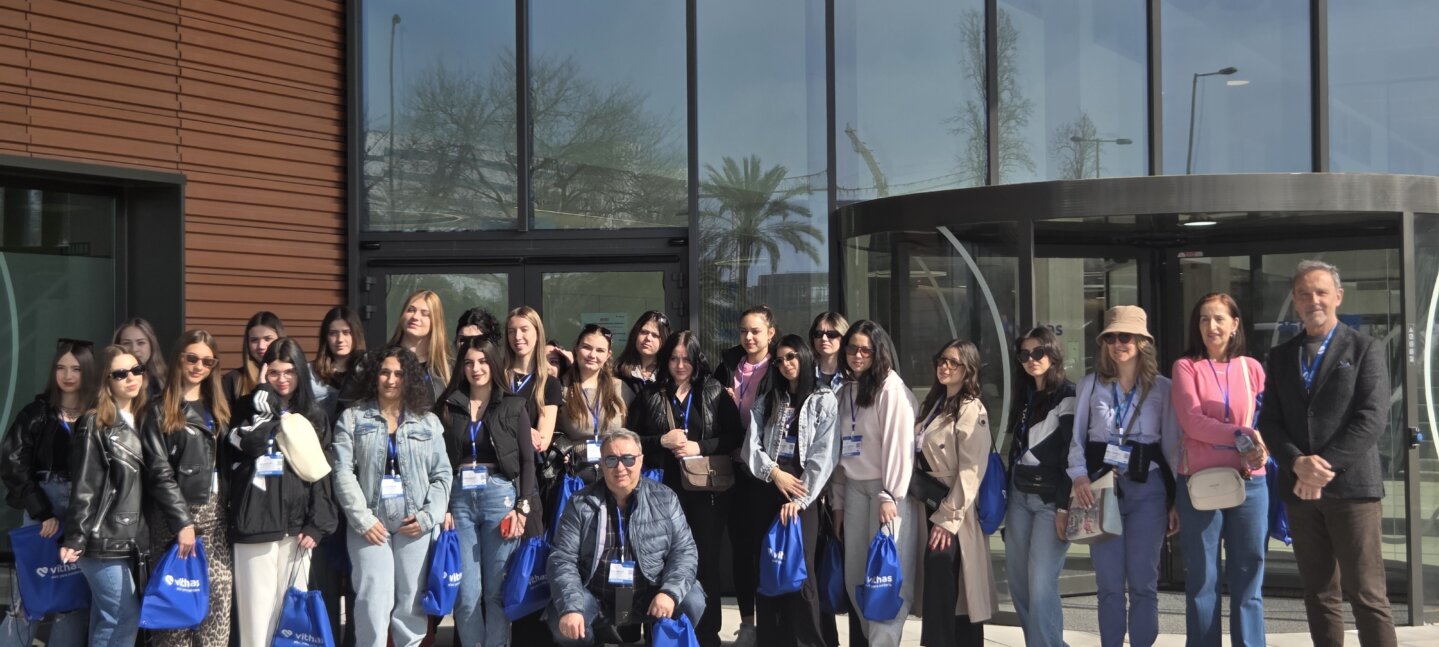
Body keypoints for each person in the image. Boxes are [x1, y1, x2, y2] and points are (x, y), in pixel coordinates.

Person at [1258, 260, 1396, 647]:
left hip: (1352, 490)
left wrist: (1323, 466)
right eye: (1304, 293)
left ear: (1338, 296)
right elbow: (1270, 421)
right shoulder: (1281, 356)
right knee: (1319, 594)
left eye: (1321, 292)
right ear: (1295, 300)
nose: (1313, 300)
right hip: (1301, 492)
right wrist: (1297, 463)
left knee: (1367, 595)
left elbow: (1372, 418)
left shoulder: (1365, 348)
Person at [60, 345, 195, 645]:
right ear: (106, 381)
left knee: (107, 619)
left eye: (136, 370)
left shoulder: (146, 418)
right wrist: (76, 537)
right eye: (120, 374)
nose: (131, 378)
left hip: (133, 539)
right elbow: (84, 485)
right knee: (124, 616)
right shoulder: (95, 422)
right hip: (102, 539)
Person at [1065, 306, 1180, 647]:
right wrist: (1079, 477)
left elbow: (1172, 446)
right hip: (1101, 490)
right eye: (1111, 338)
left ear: (1142, 342)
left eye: (1125, 337)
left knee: (1144, 581)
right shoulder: (1090, 385)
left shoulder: (1163, 388)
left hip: (1149, 489)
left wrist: (1176, 499)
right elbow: (1077, 439)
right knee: (1109, 583)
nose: (1117, 344)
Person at [332, 346, 452, 647]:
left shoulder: (428, 421)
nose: (391, 379)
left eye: (399, 373)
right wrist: (362, 519)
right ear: (375, 376)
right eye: (385, 372)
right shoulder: (352, 419)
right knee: (373, 599)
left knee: (410, 601)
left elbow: (442, 475)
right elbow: (342, 472)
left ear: (409, 379)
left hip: (415, 524)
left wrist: (428, 517)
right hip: (371, 524)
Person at [630, 330, 741, 647]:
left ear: (697, 360)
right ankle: (661, 632)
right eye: (674, 359)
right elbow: (631, 439)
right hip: (661, 492)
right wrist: (661, 441)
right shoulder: (650, 394)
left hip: (706, 492)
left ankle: (706, 634)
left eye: (687, 359)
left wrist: (699, 446)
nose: (680, 365)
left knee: (705, 562)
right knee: (660, 562)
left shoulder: (713, 391)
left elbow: (735, 436)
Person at [546, 429, 706, 647]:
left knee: (692, 600)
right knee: (562, 620)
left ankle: (663, 639)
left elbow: (684, 551)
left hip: (649, 594)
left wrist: (669, 592)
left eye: (628, 459)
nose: (620, 467)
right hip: (596, 596)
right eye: (611, 460)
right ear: (602, 464)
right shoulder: (580, 503)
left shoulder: (665, 498)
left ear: (640, 460)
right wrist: (571, 607)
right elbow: (562, 558)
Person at [1171, 293, 1269, 646]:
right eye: (1203, 319)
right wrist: (1242, 434)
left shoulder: (1251, 368)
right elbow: (1192, 422)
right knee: (1203, 578)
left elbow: (1265, 422)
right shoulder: (1186, 367)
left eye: (1218, 318)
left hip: (1249, 482)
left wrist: (1262, 446)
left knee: (1249, 575)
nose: (1210, 326)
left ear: (1234, 324)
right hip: (1201, 483)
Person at [228, 337, 338, 647]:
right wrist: (264, 400)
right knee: (256, 620)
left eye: (289, 371)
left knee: (291, 619)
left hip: (297, 529)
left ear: (300, 371)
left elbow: (322, 473)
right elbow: (251, 444)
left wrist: (318, 524)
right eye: (274, 372)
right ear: (264, 373)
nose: (282, 379)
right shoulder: (246, 408)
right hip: (255, 525)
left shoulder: (314, 415)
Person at [434, 337, 536, 647]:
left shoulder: (513, 405)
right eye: (468, 362)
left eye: (482, 361)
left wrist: (523, 507)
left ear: (493, 364)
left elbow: (527, 461)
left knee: (495, 592)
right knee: (466, 594)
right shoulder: (448, 405)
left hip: (499, 497)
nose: (475, 368)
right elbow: (438, 462)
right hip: (459, 498)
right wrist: (443, 506)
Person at [740, 334, 838, 647]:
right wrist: (773, 473)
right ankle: (771, 639)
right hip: (769, 486)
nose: (786, 364)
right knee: (769, 565)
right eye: (780, 360)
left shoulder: (823, 399)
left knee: (800, 568)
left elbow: (824, 455)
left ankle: (807, 641)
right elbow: (751, 445)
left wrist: (801, 498)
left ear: (805, 357)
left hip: (801, 491)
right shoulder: (771, 397)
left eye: (792, 357)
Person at [0, 338, 98, 643]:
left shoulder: (98, 414)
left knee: (75, 595)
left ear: (88, 372)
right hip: (44, 504)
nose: (67, 375)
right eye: (61, 368)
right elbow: (11, 461)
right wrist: (40, 510)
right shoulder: (38, 412)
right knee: (29, 593)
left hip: (84, 507)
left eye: (76, 369)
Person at [143, 330, 236, 647]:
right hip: (176, 518)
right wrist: (182, 522)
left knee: (217, 608)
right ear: (178, 359)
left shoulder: (219, 408)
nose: (199, 367)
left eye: (208, 362)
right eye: (192, 358)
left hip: (216, 518)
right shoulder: (158, 410)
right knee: (175, 612)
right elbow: (159, 472)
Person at [830, 320, 919, 647]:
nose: (857, 355)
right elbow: (840, 451)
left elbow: (899, 446)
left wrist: (890, 494)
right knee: (856, 575)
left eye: (865, 350)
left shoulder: (891, 390)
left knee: (886, 576)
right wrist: (838, 503)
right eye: (852, 348)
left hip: (886, 492)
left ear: (878, 352)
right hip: (855, 489)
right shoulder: (846, 390)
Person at [916, 340, 996, 646]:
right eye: (941, 360)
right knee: (941, 588)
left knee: (954, 588)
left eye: (953, 362)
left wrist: (948, 519)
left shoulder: (971, 408)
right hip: (928, 503)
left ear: (968, 369)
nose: (945, 366)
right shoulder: (934, 403)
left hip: (954, 509)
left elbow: (971, 470)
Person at [1002, 327, 1075, 647]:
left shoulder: (1068, 395)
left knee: (1042, 582)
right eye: (1024, 355)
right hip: (1019, 494)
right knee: (1019, 581)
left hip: (1051, 499)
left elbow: (1073, 453)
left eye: (1038, 352)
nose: (1031, 359)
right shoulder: (1024, 396)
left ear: (1052, 354)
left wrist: (1064, 505)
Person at [712, 305, 778, 647]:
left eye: (755, 331)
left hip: (764, 472)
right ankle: (748, 624)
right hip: (733, 467)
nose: (748, 337)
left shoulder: (778, 368)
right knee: (740, 550)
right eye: (743, 331)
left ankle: (771, 623)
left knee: (765, 548)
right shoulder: (728, 366)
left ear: (771, 333)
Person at [556, 324, 634, 485]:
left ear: (608, 355)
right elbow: (550, 431)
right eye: (587, 347)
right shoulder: (561, 388)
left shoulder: (621, 389)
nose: (592, 355)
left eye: (600, 350)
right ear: (577, 349)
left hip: (616, 472)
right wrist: (562, 450)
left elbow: (635, 431)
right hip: (575, 474)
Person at [388, 289, 451, 397]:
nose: (415, 317)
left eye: (425, 314)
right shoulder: (381, 360)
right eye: (411, 310)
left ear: (435, 322)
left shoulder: (447, 369)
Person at [223, 311, 286, 410]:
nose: (261, 346)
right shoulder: (233, 380)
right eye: (254, 340)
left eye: (267, 339)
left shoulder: (293, 376)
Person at [314, 305, 367, 419]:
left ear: (356, 334)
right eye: (333, 333)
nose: (340, 339)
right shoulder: (310, 374)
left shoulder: (368, 371)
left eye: (346, 332)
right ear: (325, 337)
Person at [614, 311, 672, 393]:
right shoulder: (618, 372)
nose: (648, 338)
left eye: (655, 335)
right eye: (644, 332)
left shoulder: (669, 374)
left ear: (663, 340)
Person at [114, 317, 167, 397]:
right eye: (126, 343)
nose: (134, 349)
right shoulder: (109, 383)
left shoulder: (165, 382)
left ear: (151, 346)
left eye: (141, 343)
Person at [809, 312, 849, 391]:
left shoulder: (852, 376)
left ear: (843, 337)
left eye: (831, 334)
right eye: (819, 334)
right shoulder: (805, 373)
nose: (824, 338)